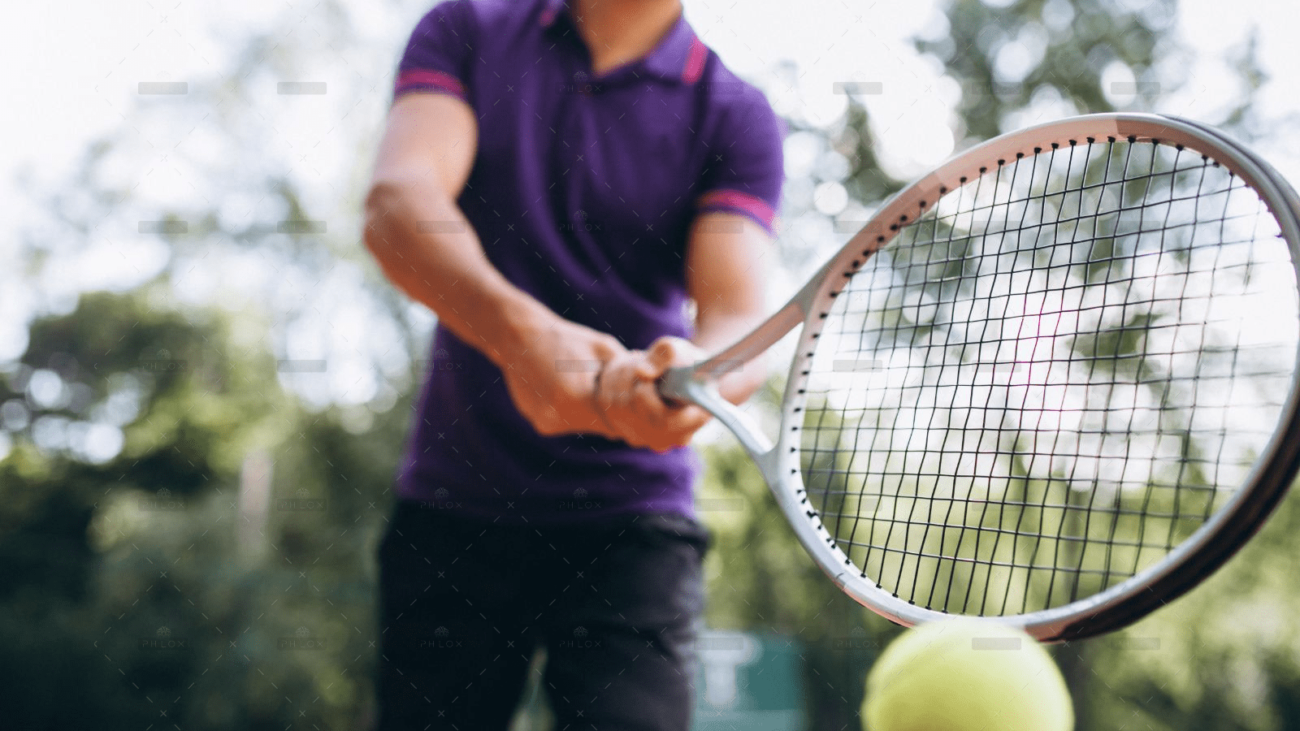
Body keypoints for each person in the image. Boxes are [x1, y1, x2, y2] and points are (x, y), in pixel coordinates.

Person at [362, 0, 784, 727]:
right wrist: (523, 339)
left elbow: (737, 317)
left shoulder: (734, 114)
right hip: (454, 508)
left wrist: (694, 379)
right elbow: (398, 208)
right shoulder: (465, 28)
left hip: (632, 530)